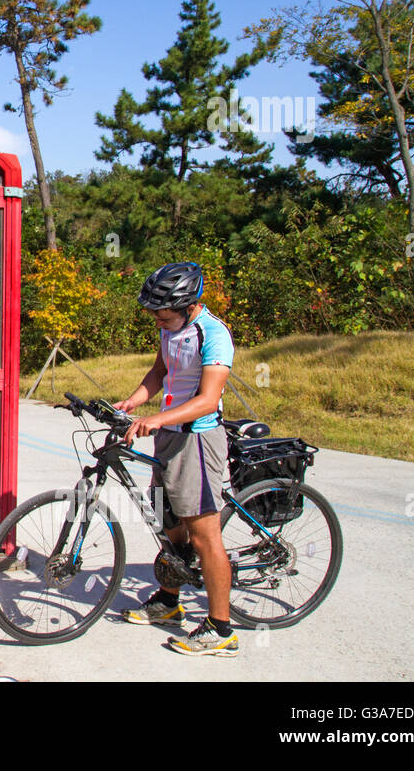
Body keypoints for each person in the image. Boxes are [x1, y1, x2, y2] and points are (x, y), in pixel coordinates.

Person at [116, 261, 239, 657]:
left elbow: (206, 400)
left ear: (188, 305)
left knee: (204, 536)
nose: (157, 321)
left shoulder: (213, 334)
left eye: (162, 315)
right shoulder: (171, 329)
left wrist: (156, 419)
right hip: (169, 438)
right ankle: (169, 604)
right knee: (170, 526)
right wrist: (135, 401)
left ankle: (221, 630)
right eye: (153, 314)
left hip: (198, 444)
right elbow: (159, 372)